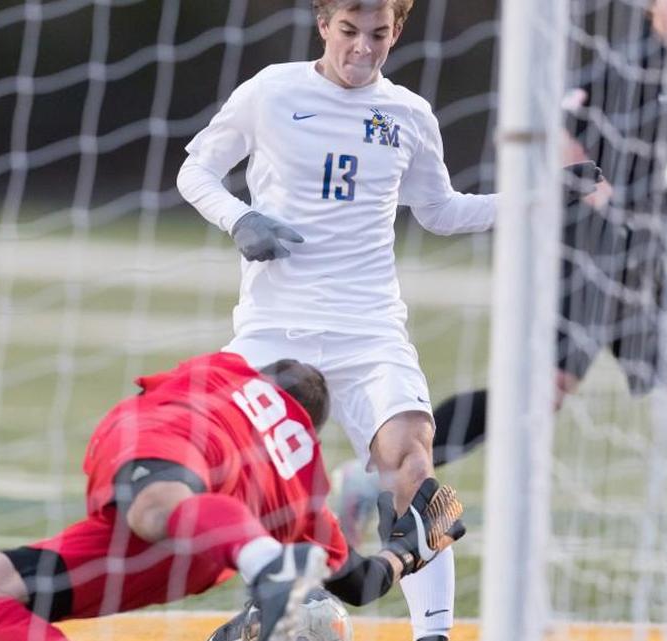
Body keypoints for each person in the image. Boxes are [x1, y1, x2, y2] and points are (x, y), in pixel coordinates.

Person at [358, 0, 667, 606]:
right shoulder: (629, 64)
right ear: (649, 6)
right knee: (531, 399)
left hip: (642, 276)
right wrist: (602, 205)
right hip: (590, 269)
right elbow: (561, 132)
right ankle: (373, 481)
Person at [176, 1, 497, 639]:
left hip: (371, 328)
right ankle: (269, 615)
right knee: (252, 480)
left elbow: (441, 210)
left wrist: (536, 199)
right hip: (275, 325)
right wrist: (239, 219)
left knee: (412, 466)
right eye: (349, 32)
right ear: (324, 25)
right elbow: (196, 171)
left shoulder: (408, 113)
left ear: (397, 30)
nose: (363, 49)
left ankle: (433, 634)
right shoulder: (271, 91)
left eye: (379, 35)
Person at [0, 352, 466, 641]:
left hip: (182, 463)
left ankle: (264, 567)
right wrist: (409, 551)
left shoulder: (228, 374)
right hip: (202, 547)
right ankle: (263, 563)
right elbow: (359, 583)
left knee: (156, 505)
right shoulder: (305, 490)